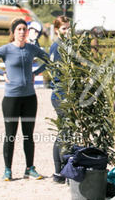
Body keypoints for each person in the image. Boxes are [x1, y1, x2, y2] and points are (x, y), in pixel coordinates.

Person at [0, 18, 49, 181]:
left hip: (30, 98)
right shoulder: (6, 49)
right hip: (11, 99)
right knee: (10, 135)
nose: (22, 32)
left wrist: (36, 72)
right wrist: (1, 73)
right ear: (13, 32)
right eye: (19, 29)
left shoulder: (32, 48)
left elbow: (49, 60)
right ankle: (8, 170)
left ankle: (30, 168)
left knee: (28, 135)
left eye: (24, 29)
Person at [48, 16, 70, 184]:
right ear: (57, 30)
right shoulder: (57, 47)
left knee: (66, 131)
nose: (67, 31)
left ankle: (62, 169)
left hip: (66, 93)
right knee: (63, 132)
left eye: (69, 28)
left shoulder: (66, 45)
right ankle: (58, 171)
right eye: (64, 29)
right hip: (60, 94)